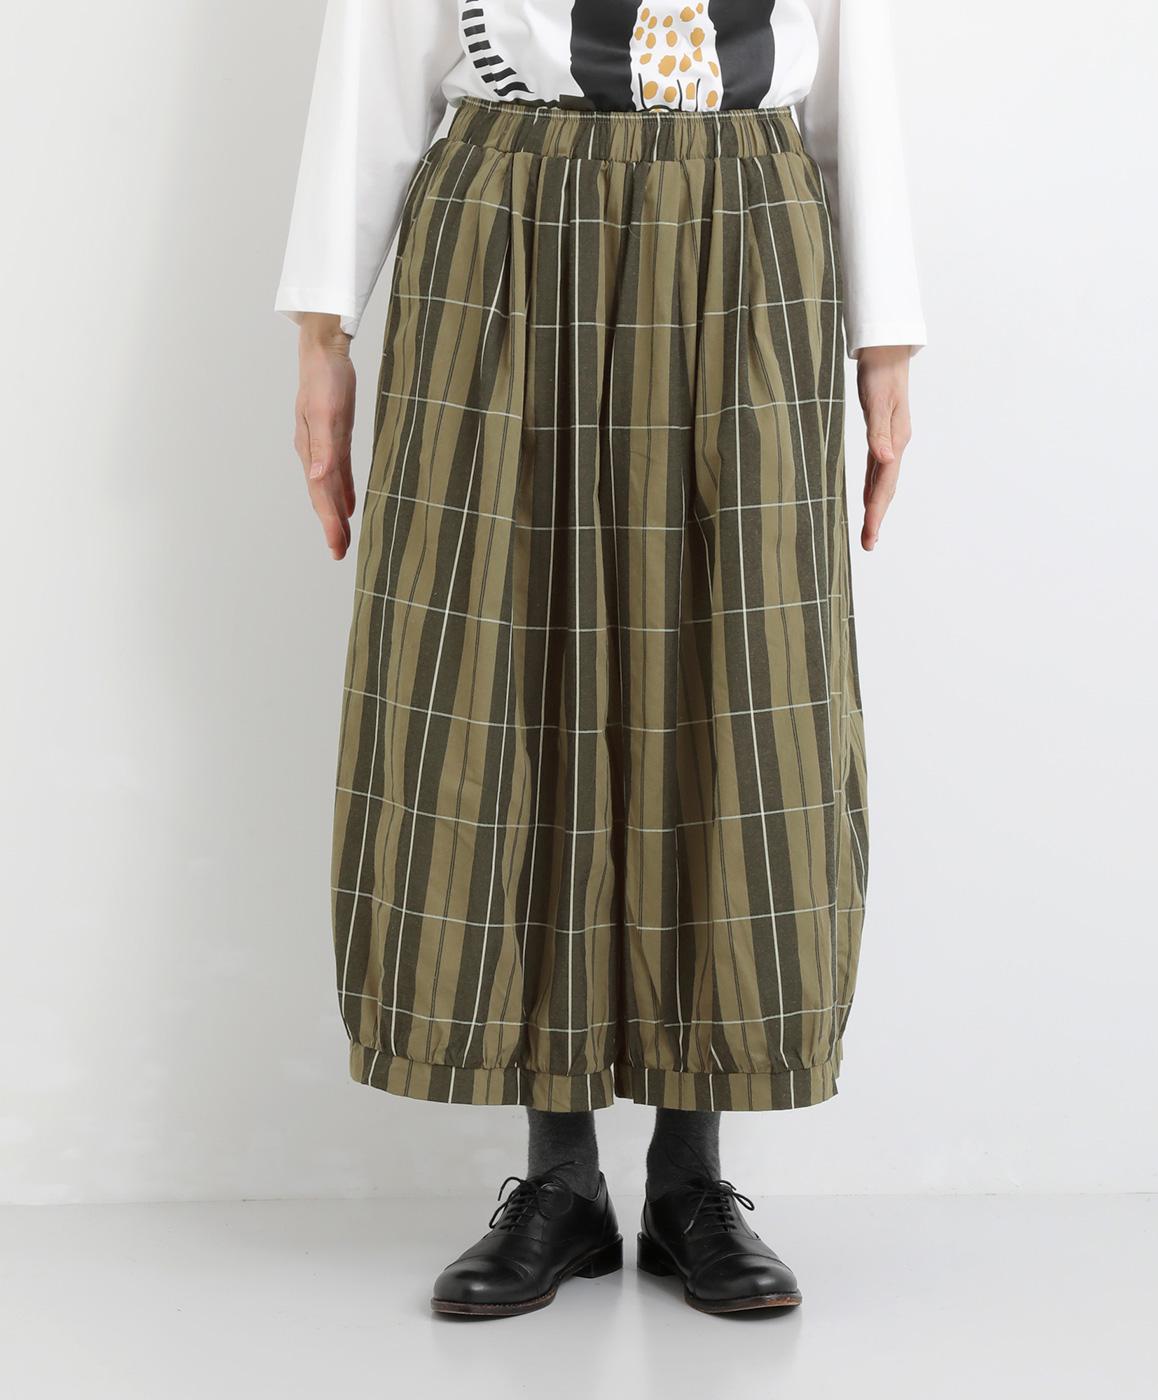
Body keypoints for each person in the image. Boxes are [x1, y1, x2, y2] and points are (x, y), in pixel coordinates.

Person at [275, 0, 925, 1318]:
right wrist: (321, 338)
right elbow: (377, 47)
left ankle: (693, 1178)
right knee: (506, 664)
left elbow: (856, 49)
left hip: (746, 213)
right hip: (507, 212)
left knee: (740, 676)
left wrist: (887, 338)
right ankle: (559, 1177)